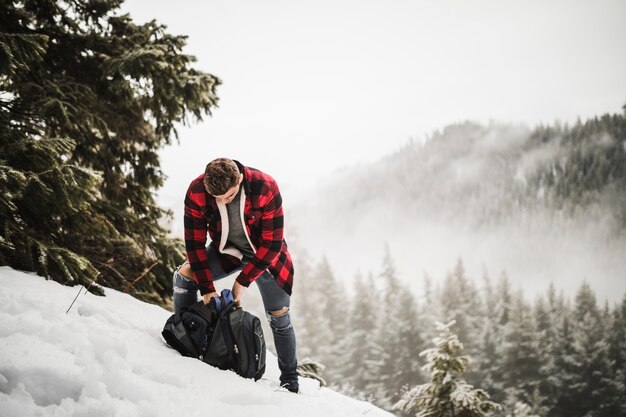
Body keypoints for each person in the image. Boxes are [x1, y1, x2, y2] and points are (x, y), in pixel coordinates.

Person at [172, 158, 299, 392]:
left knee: (279, 316)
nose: (222, 201)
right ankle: (186, 337)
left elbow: (272, 244)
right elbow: (194, 244)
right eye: (216, 198)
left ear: (239, 179)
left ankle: (290, 379)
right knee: (185, 274)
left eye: (228, 197)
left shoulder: (266, 187)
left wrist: (242, 281)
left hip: (264, 256)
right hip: (226, 252)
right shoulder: (197, 191)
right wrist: (207, 289)